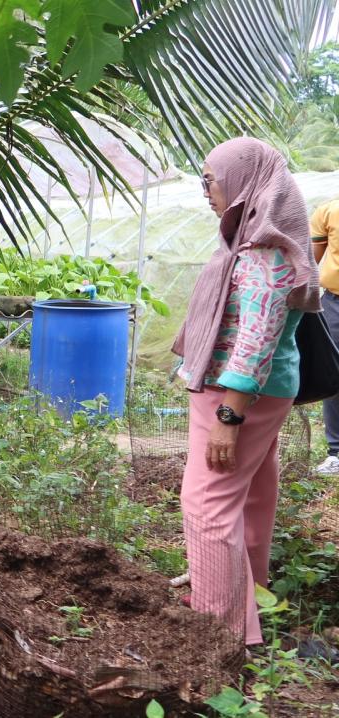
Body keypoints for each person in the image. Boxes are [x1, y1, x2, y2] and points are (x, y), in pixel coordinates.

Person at [173, 137, 317, 648]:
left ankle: (222, 632)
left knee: (206, 503)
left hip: (238, 396)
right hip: (264, 390)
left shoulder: (264, 252)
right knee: (252, 493)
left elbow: (256, 336)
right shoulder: (261, 242)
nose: (206, 190)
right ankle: (250, 595)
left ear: (245, 183)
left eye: (210, 179)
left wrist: (228, 417)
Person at [308, 196, 339, 475]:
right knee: (334, 373)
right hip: (335, 303)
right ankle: (336, 452)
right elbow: (311, 259)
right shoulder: (329, 210)